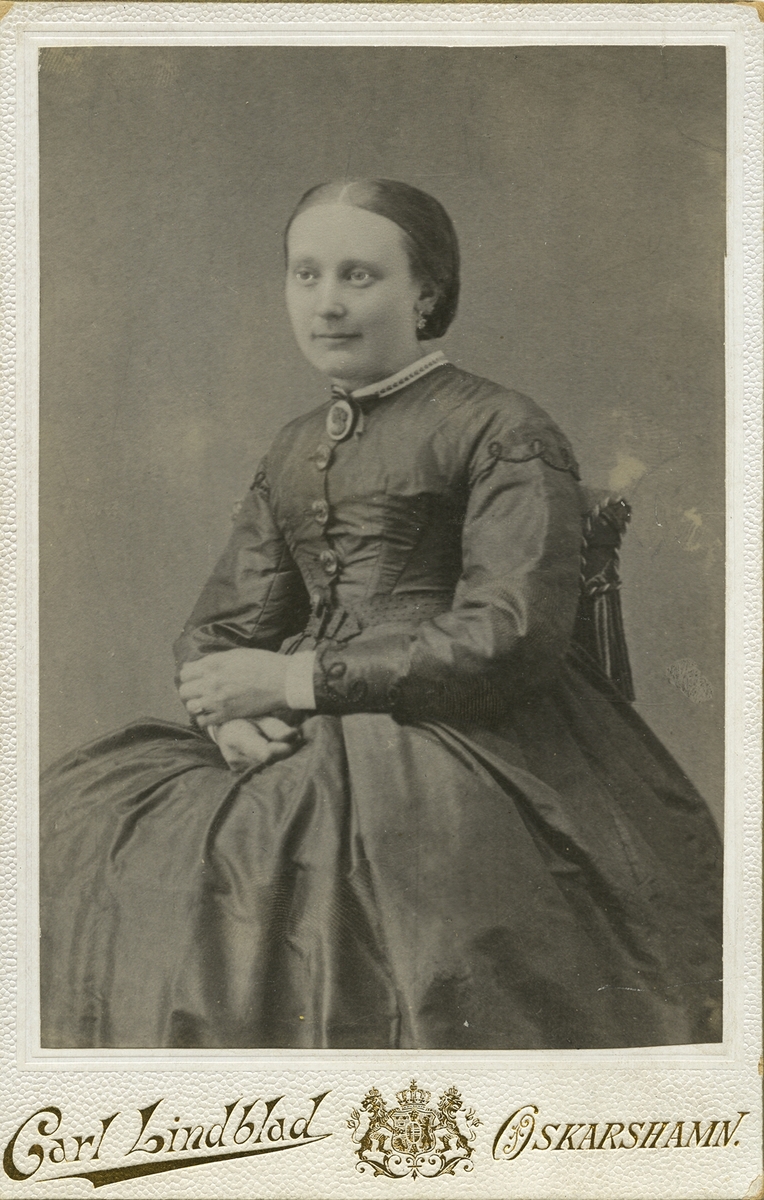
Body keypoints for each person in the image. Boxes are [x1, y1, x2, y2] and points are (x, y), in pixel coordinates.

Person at [40, 179, 723, 1051]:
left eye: (358, 276)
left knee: (349, 897)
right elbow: (221, 626)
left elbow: (509, 634)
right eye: (306, 274)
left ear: (426, 294)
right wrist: (226, 720)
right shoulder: (294, 445)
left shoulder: (503, 428)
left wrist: (295, 679)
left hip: (473, 739)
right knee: (84, 833)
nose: (326, 303)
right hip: (293, 735)